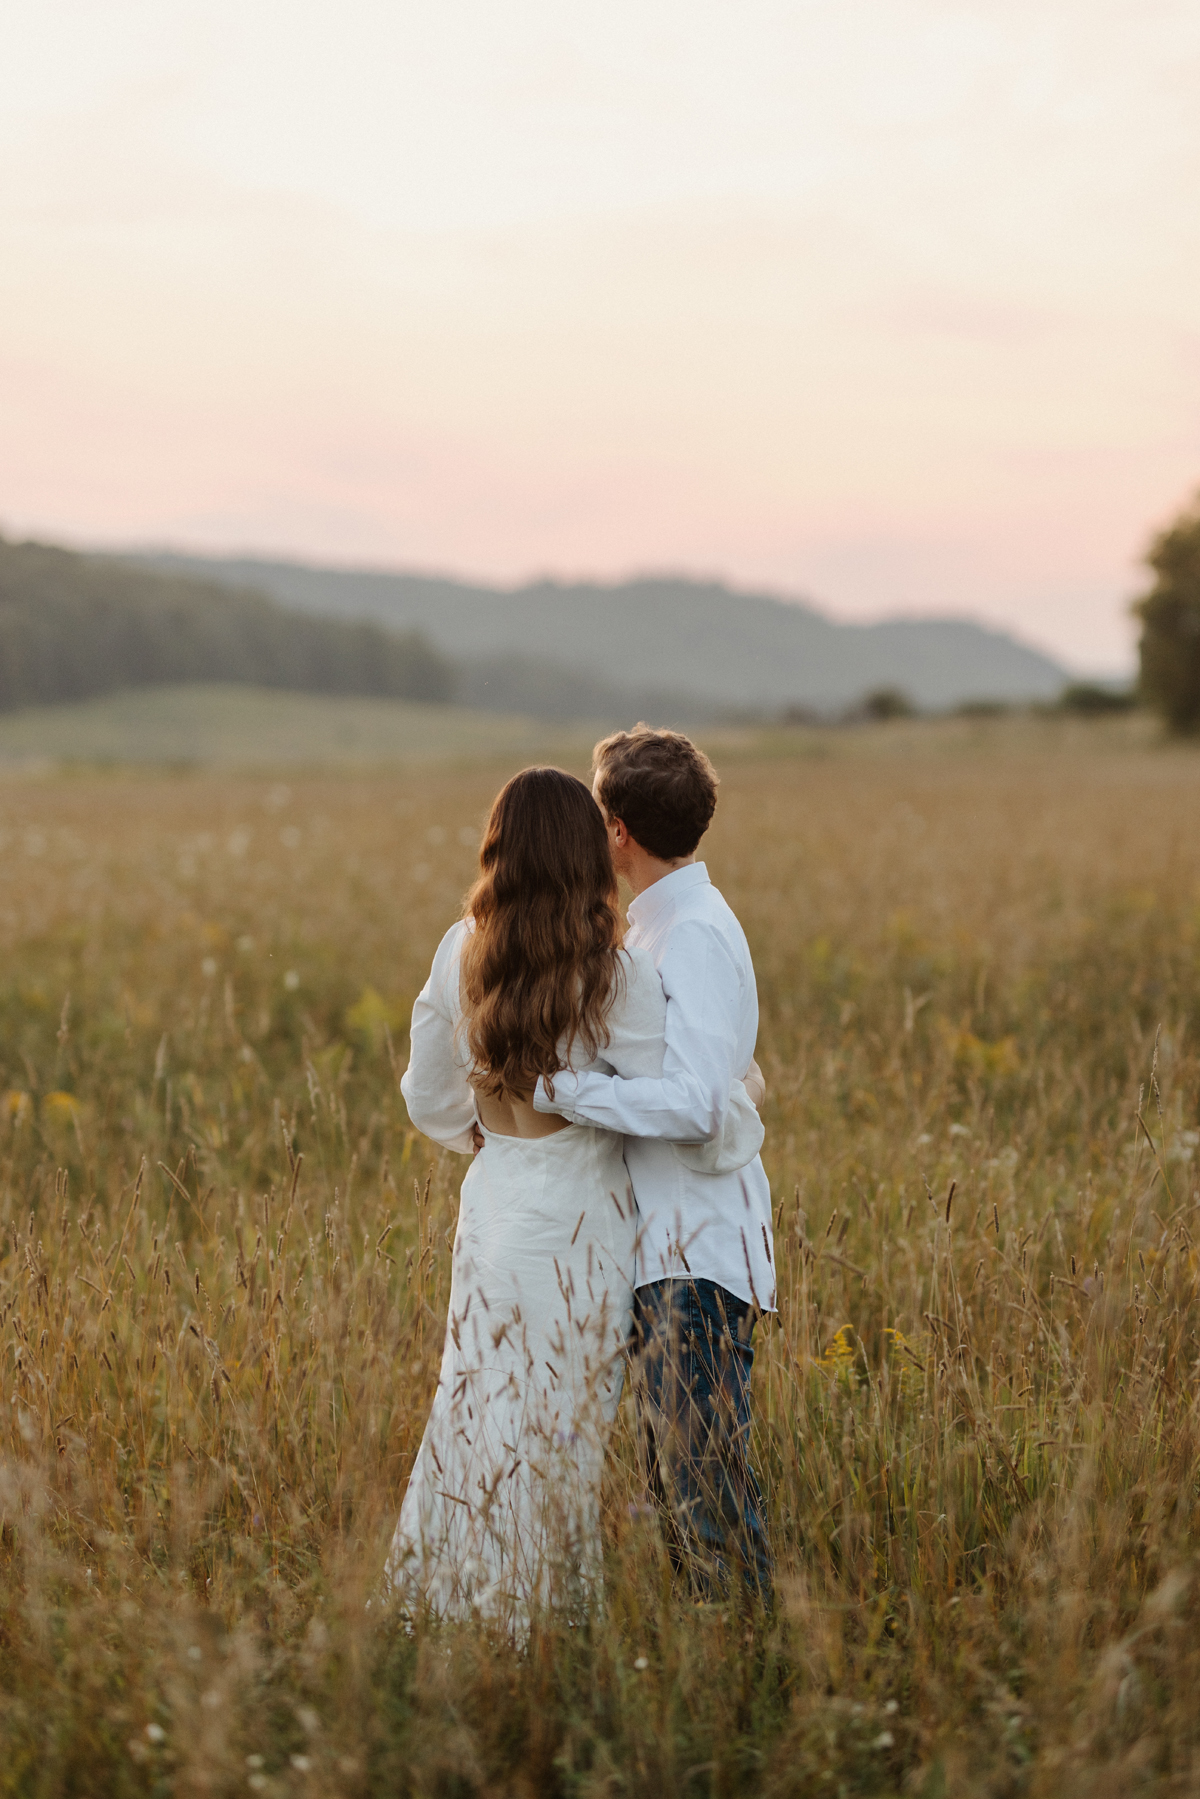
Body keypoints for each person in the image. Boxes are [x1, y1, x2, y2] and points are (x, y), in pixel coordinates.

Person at [384, 764, 761, 1631]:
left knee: (473, 1409)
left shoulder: (458, 949)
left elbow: (426, 1096)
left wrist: (480, 1138)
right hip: (583, 1219)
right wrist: (748, 1089)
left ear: (499, 848)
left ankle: (452, 1613)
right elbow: (686, 1105)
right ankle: (537, 1628)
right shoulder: (613, 977)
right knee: (559, 1430)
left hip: (495, 1204)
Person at [532, 725, 776, 1607]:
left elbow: (699, 1102)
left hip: (698, 1254)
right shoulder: (654, 930)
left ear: (619, 828)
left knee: (707, 1493)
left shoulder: (697, 933)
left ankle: (753, 1667)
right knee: (679, 1496)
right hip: (661, 1250)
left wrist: (564, 1091)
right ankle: (724, 1663)